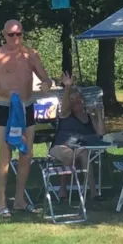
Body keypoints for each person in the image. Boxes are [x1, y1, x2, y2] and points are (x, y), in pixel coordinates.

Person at [0, 19, 52, 218]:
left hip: (26, 107)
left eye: (18, 34)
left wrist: (47, 83)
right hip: (6, 108)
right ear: (4, 35)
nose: (15, 38)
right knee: (5, 155)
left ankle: (20, 200)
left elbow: (45, 78)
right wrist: (4, 92)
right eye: (11, 35)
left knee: (26, 154)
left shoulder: (30, 55)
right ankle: (2, 202)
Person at [50, 71, 106, 200]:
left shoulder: (89, 117)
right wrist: (68, 87)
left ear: (83, 99)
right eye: (72, 99)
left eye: (78, 98)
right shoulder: (65, 114)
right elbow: (63, 108)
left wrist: (98, 113)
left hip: (80, 147)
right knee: (69, 155)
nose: (76, 101)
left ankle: (93, 193)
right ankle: (63, 191)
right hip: (61, 146)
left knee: (84, 153)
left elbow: (101, 133)